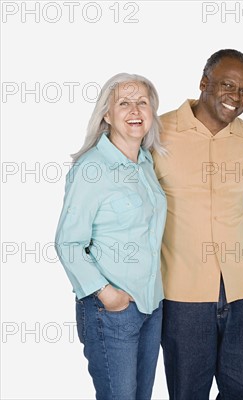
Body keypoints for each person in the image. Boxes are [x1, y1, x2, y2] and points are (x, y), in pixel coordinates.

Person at [152, 49, 243, 399]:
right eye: (228, 85)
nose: (236, 97)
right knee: (188, 392)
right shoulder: (158, 132)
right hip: (182, 293)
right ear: (204, 83)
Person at [55, 73, 167, 399]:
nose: (135, 110)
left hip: (150, 306)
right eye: (124, 103)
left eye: (142, 103)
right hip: (112, 311)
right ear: (107, 114)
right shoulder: (92, 169)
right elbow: (68, 242)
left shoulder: (145, 164)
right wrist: (107, 294)